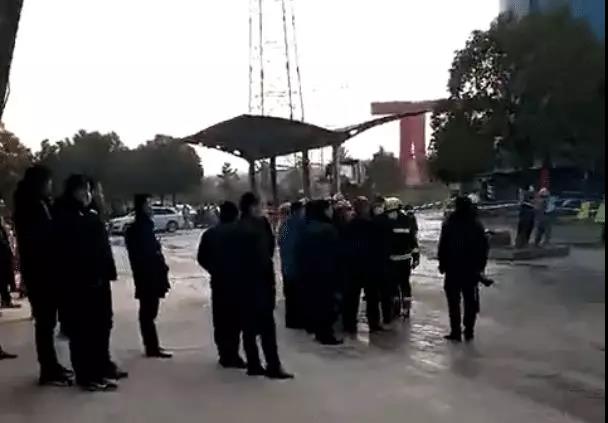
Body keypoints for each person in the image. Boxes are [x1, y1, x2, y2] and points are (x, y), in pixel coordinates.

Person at [53, 175, 119, 391]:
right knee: (83, 331)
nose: (88, 194)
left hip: (98, 279)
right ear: (74, 191)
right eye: (84, 190)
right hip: (80, 282)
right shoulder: (66, 215)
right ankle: (87, 376)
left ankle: (99, 369)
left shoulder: (89, 213)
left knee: (100, 326)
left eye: (89, 190)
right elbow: (71, 250)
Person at [13, 165, 73, 386]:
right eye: (48, 182)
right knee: (45, 323)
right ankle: (48, 370)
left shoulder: (37, 204)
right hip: (41, 272)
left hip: (43, 271)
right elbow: (40, 240)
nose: (50, 186)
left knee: (48, 322)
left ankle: (52, 365)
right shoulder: (32, 207)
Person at [235, 192, 293, 379]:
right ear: (253, 206)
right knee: (267, 328)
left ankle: (253, 364)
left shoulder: (237, 227)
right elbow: (269, 249)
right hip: (261, 282)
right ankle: (273, 365)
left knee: (248, 328)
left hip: (243, 284)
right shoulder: (261, 225)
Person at [197, 201, 246, 368]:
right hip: (238, 281)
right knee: (235, 320)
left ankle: (224, 353)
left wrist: (213, 269)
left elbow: (201, 258)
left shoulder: (209, 234)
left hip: (219, 281)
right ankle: (233, 354)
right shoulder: (241, 233)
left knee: (220, 318)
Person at [125, 194, 172, 359]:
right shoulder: (141, 228)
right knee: (148, 312)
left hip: (146, 275)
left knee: (148, 312)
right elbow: (148, 254)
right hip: (149, 276)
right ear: (142, 207)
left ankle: (152, 345)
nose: (151, 208)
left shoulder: (141, 227)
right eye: (149, 204)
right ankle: (152, 347)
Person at [438, 196, 489, 342]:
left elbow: (443, 245)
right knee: (470, 301)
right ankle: (469, 330)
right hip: (470, 270)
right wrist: (480, 267)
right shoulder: (476, 224)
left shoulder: (450, 223)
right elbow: (484, 248)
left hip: (453, 269)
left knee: (453, 302)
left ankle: (456, 331)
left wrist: (442, 264)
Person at [298, 199, 343, 345]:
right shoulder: (328, 229)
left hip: (310, 271)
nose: (331, 211)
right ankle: (326, 334)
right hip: (326, 271)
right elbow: (336, 252)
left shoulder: (306, 227)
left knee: (316, 302)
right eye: (329, 209)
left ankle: (319, 331)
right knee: (327, 304)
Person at [342, 197, 383, 334]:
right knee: (372, 297)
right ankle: (374, 324)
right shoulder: (371, 225)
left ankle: (349, 325)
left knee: (352, 297)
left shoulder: (349, 225)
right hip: (369, 266)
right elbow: (378, 247)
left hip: (353, 266)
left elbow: (344, 246)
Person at [381, 197, 420, 322]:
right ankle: (403, 308)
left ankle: (398, 308)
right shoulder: (406, 220)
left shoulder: (387, 222)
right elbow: (413, 242)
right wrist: (416, 257)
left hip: (394, 260)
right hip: (403, 260)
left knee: (396, 284)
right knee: (403, 284)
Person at [278, 201, 306, 329]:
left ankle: (291, 320)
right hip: (298, 266)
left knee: (290, 295)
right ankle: (300, 320)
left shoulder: (284, 225)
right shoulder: (300, 224)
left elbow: (280, 242)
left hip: (286, 265)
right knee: (299, 295)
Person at [0, 216, 20, 309]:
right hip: (2, 257)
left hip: (4, 256)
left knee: (4, 280)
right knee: (3, 280)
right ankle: (6, 300)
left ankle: (6, 300)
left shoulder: (2, 229)